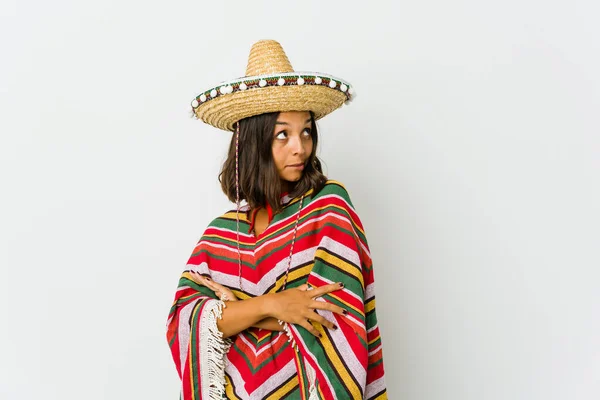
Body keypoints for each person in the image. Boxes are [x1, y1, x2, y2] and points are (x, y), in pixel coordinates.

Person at [166, 39, 387, 400]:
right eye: (282, 134)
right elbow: (185, 320)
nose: (300, 147)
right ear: (253, 141)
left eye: (306, 131)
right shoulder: (222, 232)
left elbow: (333, 319)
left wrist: (236, 314)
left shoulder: (328, 207)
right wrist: (274, 305)